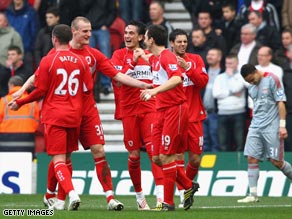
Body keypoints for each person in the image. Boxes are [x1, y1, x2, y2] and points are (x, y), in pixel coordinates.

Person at [13, 16, 152, 211]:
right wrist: (21, 90)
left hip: (86, 111)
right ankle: (53, 195)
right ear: (74, 32)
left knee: (98, 151)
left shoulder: (93, 54)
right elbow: (36, 76)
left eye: (90, 30)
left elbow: (117, 75)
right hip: (68, 110)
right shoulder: (59, 53)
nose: (89, 34)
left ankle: (110, 197)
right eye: (85, 31)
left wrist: (144, 84)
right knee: (63, 155)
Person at [9, 24, 94, 211]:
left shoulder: (49, 60)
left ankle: (72, 194)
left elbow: (40, 89)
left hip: (55, 114)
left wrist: (21, 102)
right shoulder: (81, 61)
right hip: (75, 115)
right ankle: (53, 196)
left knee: (58, 159)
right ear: (69, 38)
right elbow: (88, 90)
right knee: (66, 158)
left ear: (54, 39)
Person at [138, 24, 198, 211]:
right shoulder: (156, 58)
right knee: (156, 157)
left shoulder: (167, 56)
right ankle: (188, 185)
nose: (144, 40)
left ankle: (168, 203)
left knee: (166, 155)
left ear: (152, 40)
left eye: (145, 37)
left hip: (175, 109)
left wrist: (153, 91)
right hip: (161, 111)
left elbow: (177, 78)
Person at [110, 20, 164, 210]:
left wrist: (147, 60)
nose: (126, 36)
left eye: (131, 33)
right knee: (134, 155)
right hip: (129, 110)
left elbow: (162, 78)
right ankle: (140, 197)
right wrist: (133, 61)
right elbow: (117, 82)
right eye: (125, 32)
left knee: (153, 152)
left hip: (150, 107)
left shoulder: (150, 56)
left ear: (141, 37)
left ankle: (160, 197)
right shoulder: (118, 55)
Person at [237, 64, 292, 203]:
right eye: (248, 82)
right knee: (251, 158)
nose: (252, 83)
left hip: (272, 127)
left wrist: (282, 126)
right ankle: (253, 194)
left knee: (276, 162)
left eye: (252, 79)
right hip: (256, 126)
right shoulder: (251, 87)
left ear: (256, 71)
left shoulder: (272, 79)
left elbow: (280, 102)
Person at [169, 28, 207, 208]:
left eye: (185, 41)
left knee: (195, 160)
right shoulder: (167, 61)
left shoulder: (196, 60)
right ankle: (183, 191)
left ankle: (186, 187)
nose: (183, 44)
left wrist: (188, 68)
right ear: (171, 43)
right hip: (175, 115)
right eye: (179, 42)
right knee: (177, 156)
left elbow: (203, 82)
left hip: (194, 115)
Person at [212, 54, 246, 151]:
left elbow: (236, 88)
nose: (229, 66)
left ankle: (239, 165)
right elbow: (215, 94)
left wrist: (230, 77)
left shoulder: (241, 76)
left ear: (237, 63)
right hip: (222, 112)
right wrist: (232, 93)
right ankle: (224, 165)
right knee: (223, 143)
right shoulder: (219, 77)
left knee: (239, 143)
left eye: (231, 63)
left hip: (238, 112)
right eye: (227, 63)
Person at [0, 76, 39, 157]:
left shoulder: (4, 101)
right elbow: (37, 121)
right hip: (27, 139)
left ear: (11, 85)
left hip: (6, 140)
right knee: (26, 164)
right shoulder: (32, 102)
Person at [202, 48, 223, 152]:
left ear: (219, 57)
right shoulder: (203, 71)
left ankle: (217, 165)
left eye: (212, 55)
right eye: (208, 54)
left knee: (216, 139)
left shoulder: (223, 72)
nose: (209, 56)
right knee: (204, 140)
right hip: (202, 111)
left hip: (216, 112)